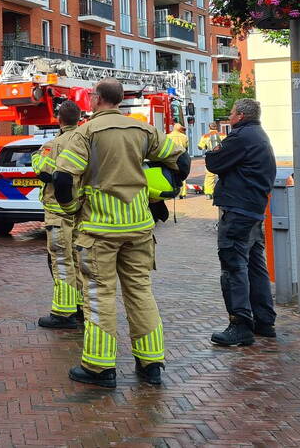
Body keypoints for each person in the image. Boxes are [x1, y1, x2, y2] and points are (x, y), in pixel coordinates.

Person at [55, 79, 189, 388]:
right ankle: (151, 364)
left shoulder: (86, 133)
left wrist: (72, 208)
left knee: (99, 295)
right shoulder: (143, 130)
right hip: (139, 226)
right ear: (119, 99)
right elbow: (181, 161)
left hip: (99, 230)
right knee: (140, 291)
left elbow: (62, 178)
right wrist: (164, 190)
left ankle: (100, 368)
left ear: (97, 99)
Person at [204, 98, 277, 346]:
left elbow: (214, 162)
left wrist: (213, 151)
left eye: (232, 113)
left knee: (233, 265)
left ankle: (240, 324)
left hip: (238, 210)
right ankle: (264, 320)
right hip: (254, 210)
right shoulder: (259, 135)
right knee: (255, 265)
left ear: (241, 116)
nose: (230, 117)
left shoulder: (241, 137)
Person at [31, 100, 84, 329]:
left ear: (58, 119)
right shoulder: (86, 141)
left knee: (61, 261)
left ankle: (63, 313)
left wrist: (36, 156)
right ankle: (81, 307)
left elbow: (43, 170)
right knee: (79, 260)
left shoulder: (55, 144)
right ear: (79, 119)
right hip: (81, 211)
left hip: (58, 211)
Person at [197, 122, 225, 198]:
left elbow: (200, 147)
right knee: (223, 175)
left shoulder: (205, 136)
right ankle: (223, 192)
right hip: (221, 157)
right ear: (216, 127)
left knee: (209, 176)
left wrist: (206, 146)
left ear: (209, 127)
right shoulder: (223, 135)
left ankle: (209, 194)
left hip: (211, 158)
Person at [167, 123, 191, 199]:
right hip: (182, 157)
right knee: (182, 174)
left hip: (171, 157)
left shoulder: (168, 136)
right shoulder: (184, 137)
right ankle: (183, 193)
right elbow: (186, 147)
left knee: (172, 174)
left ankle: (175, 192)